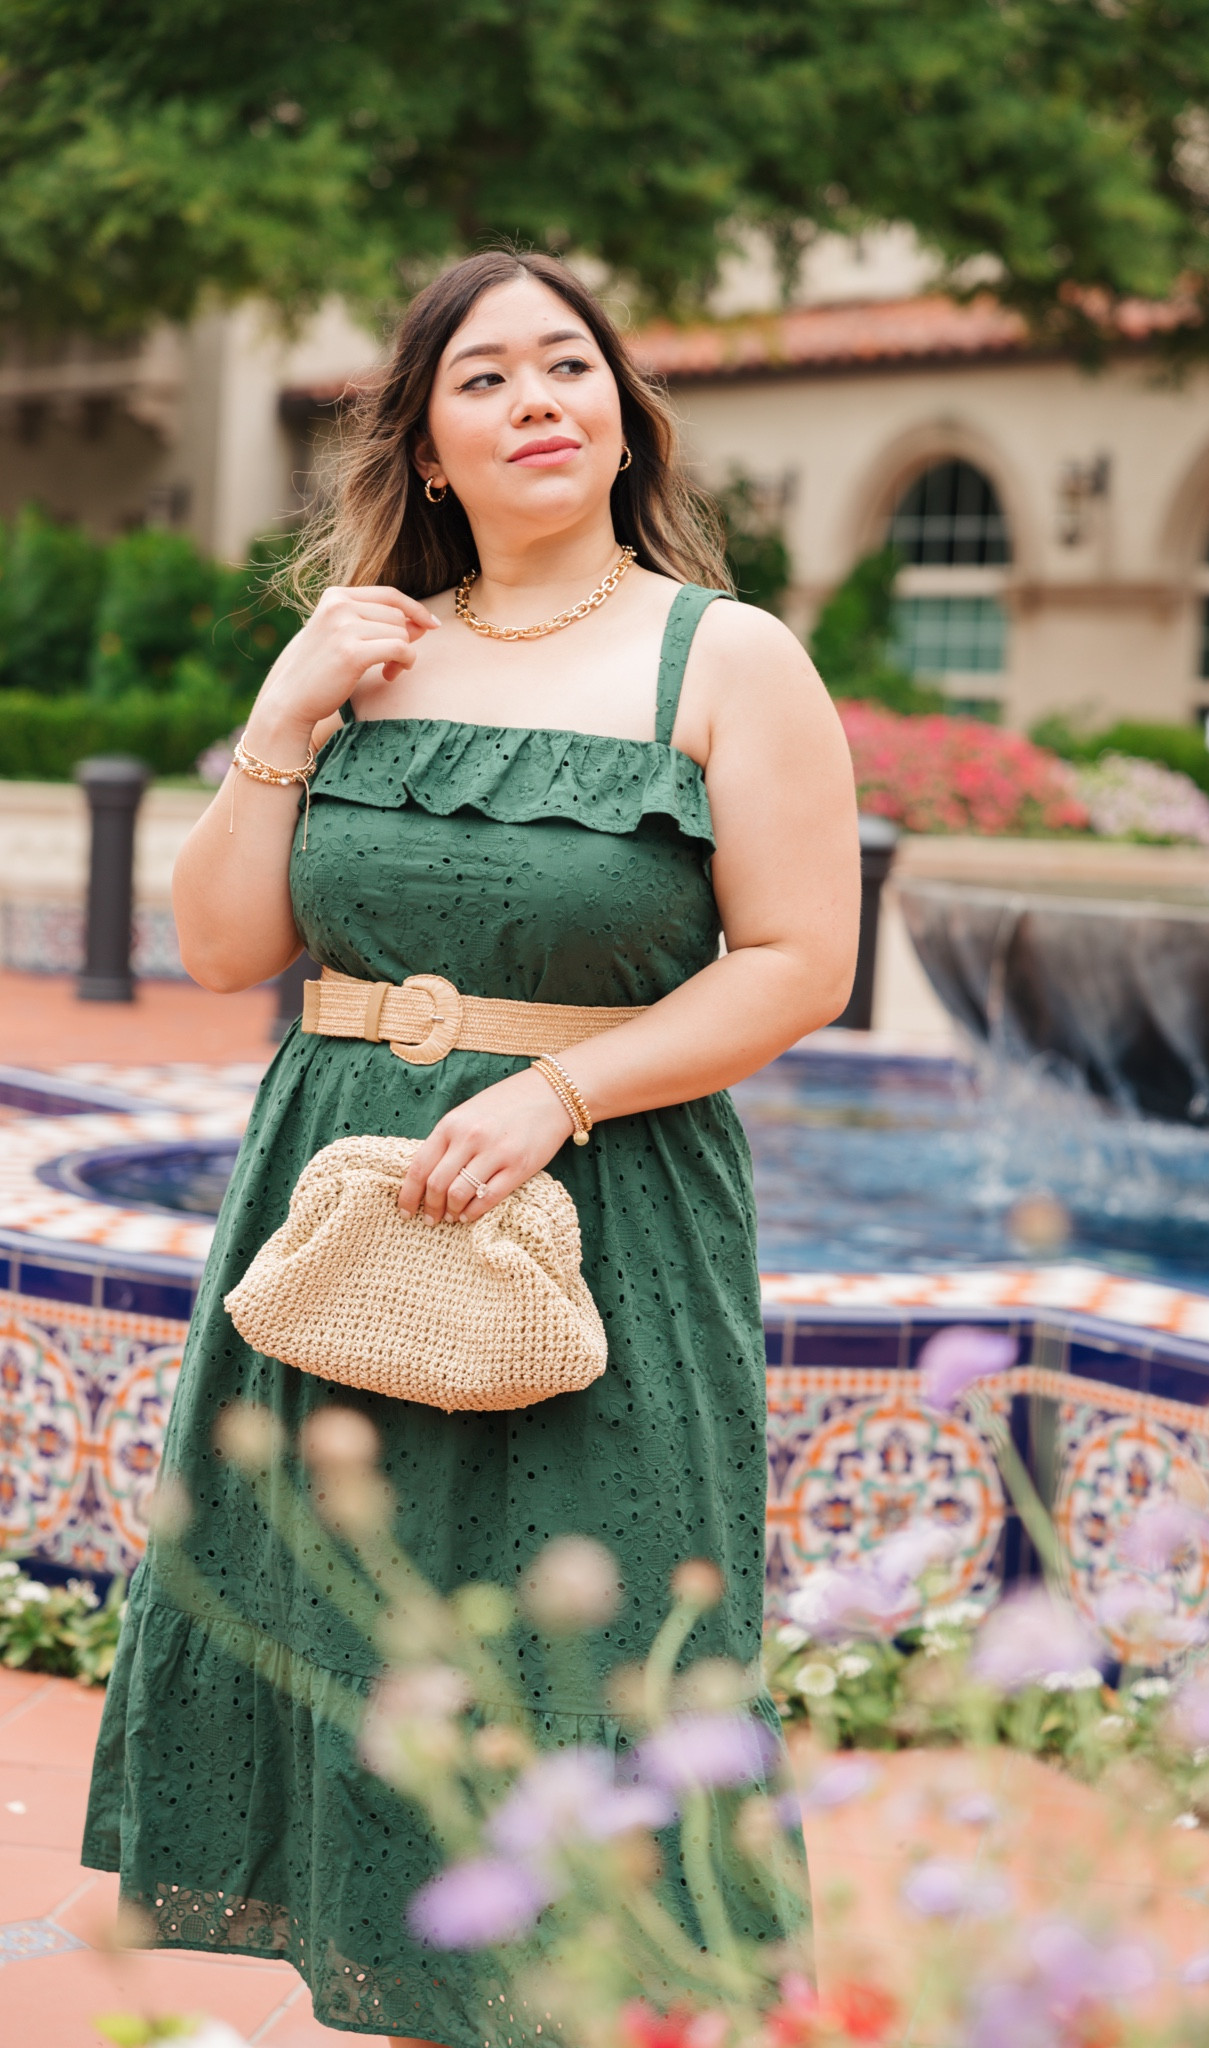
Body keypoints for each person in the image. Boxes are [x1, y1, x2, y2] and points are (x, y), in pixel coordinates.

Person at [82, 248, 860, 2048]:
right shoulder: (364, 650)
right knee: (348, 1633)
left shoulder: (724, 657)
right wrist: (280, 718)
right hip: (338, 1203)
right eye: (489, 377)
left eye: (569, 367)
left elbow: (802, 963)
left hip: (602, 1200)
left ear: (621, 416)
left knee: (578, 1657)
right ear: (428, 443)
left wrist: (555, 1094)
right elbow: (218, 949)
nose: (538, 401)